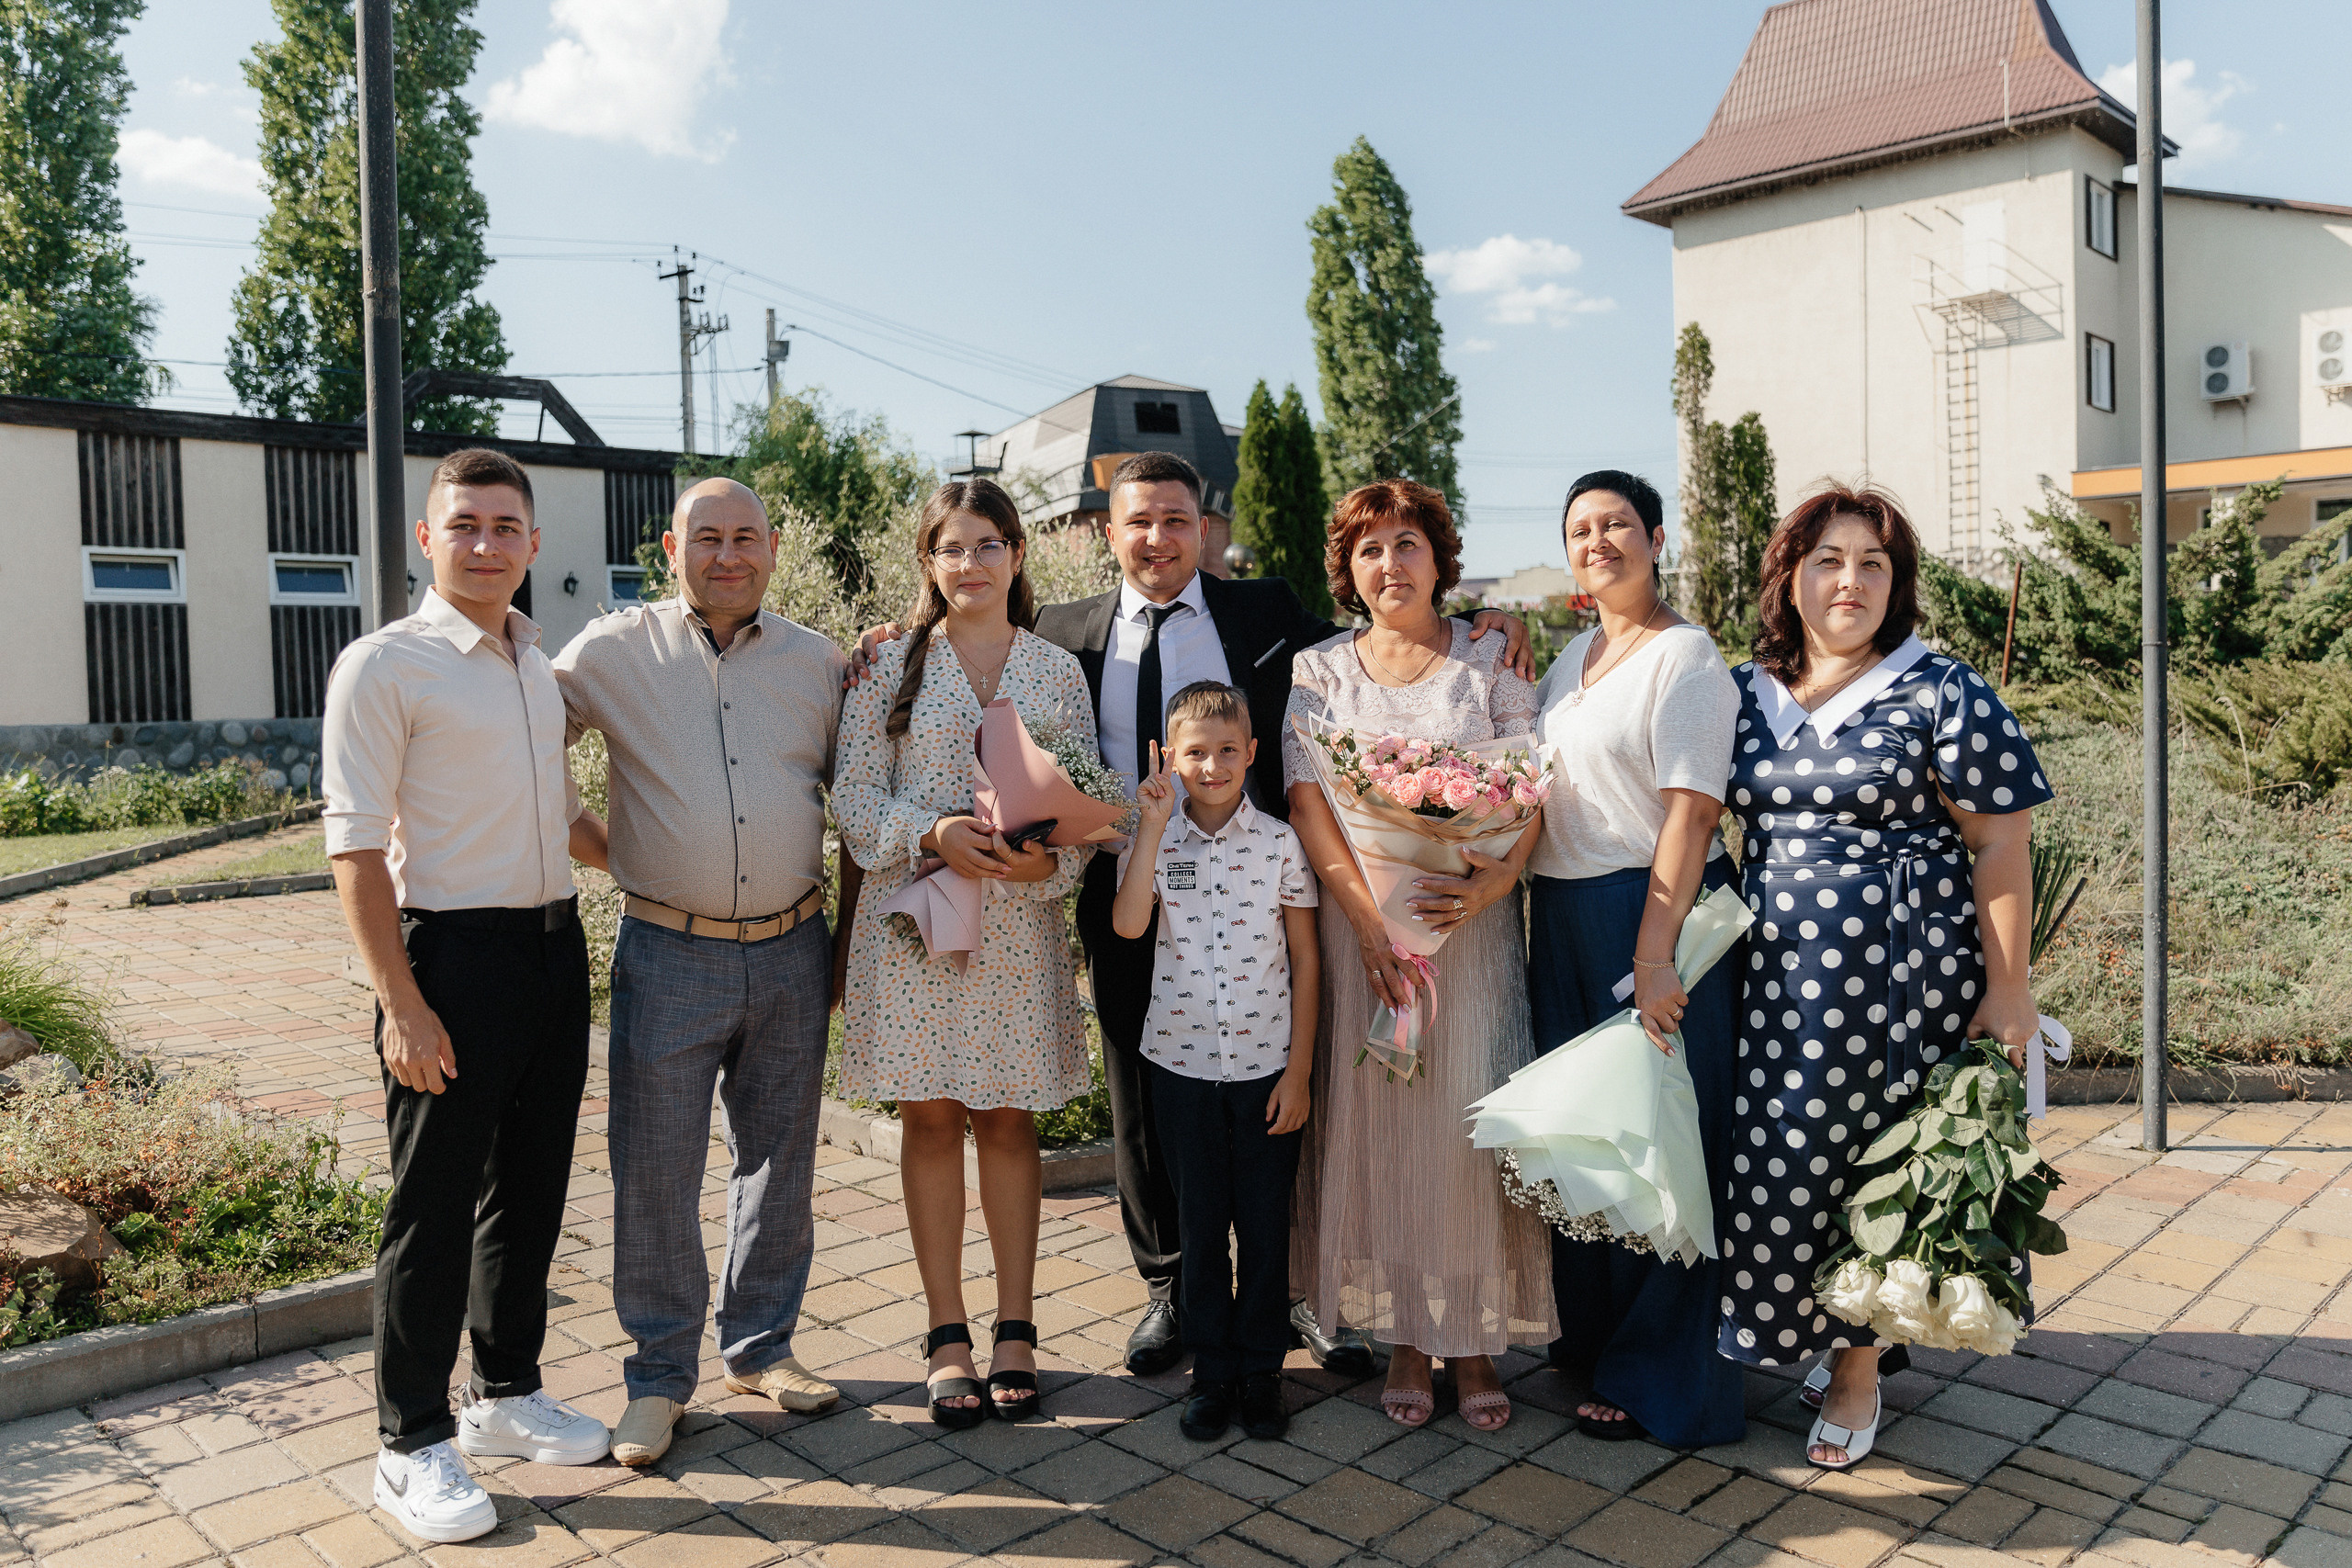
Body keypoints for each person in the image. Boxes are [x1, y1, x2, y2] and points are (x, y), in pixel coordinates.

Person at [1028, 452, 1529, 1379]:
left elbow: (1386, 631)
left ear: (1203, 530)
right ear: (1108, 531)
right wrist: (891, 636)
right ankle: (1171, 1287)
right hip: (1132, 886)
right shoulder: (1060, 631)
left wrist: (1490, 622)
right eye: (1138, 521)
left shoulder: (1264, 616)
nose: (1157, 538)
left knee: (1283, 1079)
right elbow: (979, 646)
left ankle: (1292, 1287)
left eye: (1176, 520)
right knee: (1142, 1094)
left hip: (1268, 891)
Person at [1713, 483, 2049, 1471]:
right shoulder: (1742, 691)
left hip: (1899, 980)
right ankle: (1819, 1333)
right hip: (1773, 982)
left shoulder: (1940, 688)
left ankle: (1859, 1370)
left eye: (1871, 562)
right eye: (1827, 559)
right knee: (1784, 1167)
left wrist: (2009, 985)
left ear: (1896, 582)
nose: (1848, 580)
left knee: (1878, 1170)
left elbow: (1999, 845)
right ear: (1791, 576)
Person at [325, 448, 611, 1547]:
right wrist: (400, 1003)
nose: (487, 544)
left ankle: (504, 1395)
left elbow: (559, 818)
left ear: (534, 546)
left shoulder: (535, 665)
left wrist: (638, 860)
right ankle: (409, 1441)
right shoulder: (384, 666)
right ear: (426, 538)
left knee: (530, 1190)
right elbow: (352, 850)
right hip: (449, 957)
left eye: (506, 527)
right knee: (432, 1204)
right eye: (466, 525)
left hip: (551, 953)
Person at [550, 477, 846, 1466]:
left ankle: (762, 1348)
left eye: (746, 538)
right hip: (667, 951)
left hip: (794, 946)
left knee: (780, 1162)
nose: (728, 555)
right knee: (656, 1172)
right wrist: (606, 847)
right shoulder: (608, 652)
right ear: (670, 550)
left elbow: (867, 791)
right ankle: (658, 1378)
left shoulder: (821, 664)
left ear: (773, 548)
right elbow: (515, 736)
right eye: (706, 538)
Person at [1283, 478, 1556, 1431]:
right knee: (1386, 1125)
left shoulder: (1488, 658)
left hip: (1468, 933)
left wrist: (1495, 882)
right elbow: (1311, 804)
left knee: (1461, 1130)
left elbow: (1531, 784)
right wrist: (1365, 927)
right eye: (1368, 549)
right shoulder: (1319, 673)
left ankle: (1475, 1342)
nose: (1388, 564)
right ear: (1347, 570)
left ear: (1440, 559)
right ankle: (1404, 1333)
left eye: (1406, 544)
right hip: (1363, 935)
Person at [833, 477, 1096, 1427]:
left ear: (1016, 557)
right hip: (917, 930)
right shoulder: (886, 667)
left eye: (988, 545)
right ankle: (947, 1332)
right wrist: (934, 832)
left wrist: (1049, 868)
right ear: (928, 562)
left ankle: (1015, 1328)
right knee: (934, 1121)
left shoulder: (1054, 672)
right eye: (951, 548)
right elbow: (856, 802)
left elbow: (1083, 801)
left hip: (1018, 935)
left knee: (1009, 1121)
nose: (970, 564)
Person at [1525, 470, 1747, 1449]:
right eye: (1580, 528)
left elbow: (1692, 813)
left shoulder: (1684, 656)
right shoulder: (1567, 659)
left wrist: (1654, 955)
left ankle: (1665, 1372)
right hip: (1559, 916)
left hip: (1650, 919)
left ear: (1654, 538)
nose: (1597, 540)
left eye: (1616, 524)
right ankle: (1597, 1338)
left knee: (1664, 1151)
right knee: (1589, 1143)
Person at [1112, 682, 1319, 1442]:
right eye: (1195, 751)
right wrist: (1149, 825)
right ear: (1171, 756)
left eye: (1227, 750)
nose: (1212, 764)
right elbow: (1129, 924)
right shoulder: (1158, 839)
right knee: (1200, 1226)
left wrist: (1298, 1071)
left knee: (1264, 1225)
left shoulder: (1280, 843)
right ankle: (1214, 1369)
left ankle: (1262, 1369)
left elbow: (1305, 959)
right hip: (1183, 1067)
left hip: (1268, 1068)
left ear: (1251, 753)